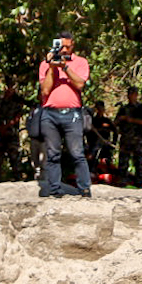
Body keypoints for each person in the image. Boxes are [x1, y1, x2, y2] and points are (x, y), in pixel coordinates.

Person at [37, 31, 92, 197]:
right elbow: (45, 90)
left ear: (72, 45)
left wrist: (65, 67)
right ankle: (55, 190)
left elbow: (80, 84)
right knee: (53, 154)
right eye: (62, 47)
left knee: (77, 153)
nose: (65, 50)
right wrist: (52, 68)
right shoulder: (45, 65)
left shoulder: (81, 62)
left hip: (72, 114)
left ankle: (84, 188)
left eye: (68, 47)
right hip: (50, 114)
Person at [0, 83, 27, 183]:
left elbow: (18, 116)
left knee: (14, 156)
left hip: (12, 133)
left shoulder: (17, 101)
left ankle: (17, 177)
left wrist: (7, 126)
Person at [115, 86, 142, 188]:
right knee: (123, 162)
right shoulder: (123, 109)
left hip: (138, 139)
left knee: (138, 163)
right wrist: (121, 119)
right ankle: (122, 181)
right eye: (130, 94)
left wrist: (132, 120)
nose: (131, 96)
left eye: (133, 94)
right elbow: (115, 123)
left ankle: (139, 183)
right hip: (125, 139)